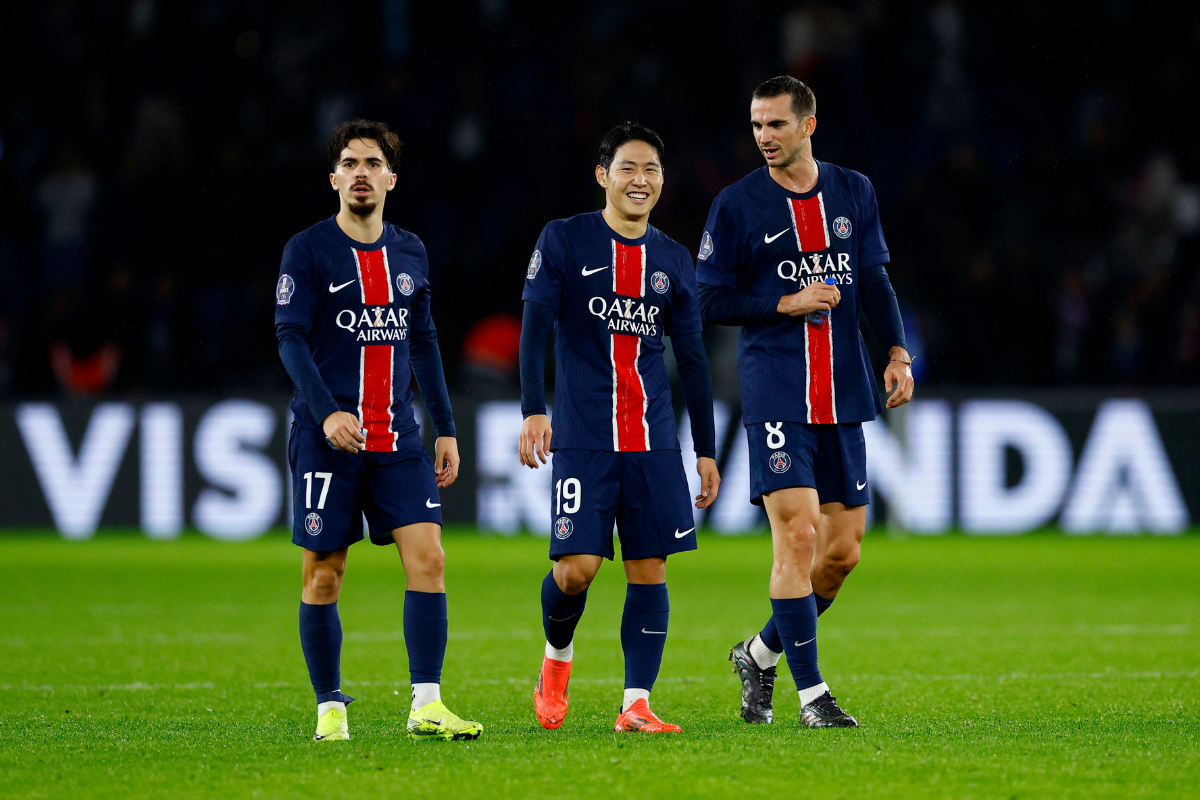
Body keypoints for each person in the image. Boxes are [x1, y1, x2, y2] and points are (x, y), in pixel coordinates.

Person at [696, 77, 915, 728]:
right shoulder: (736, 206)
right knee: (797, 535)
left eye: (776, 125)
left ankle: (759, 654)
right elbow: (708, 299)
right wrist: (782, 303)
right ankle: (811, 695)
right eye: (757, 125)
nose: (763, 137)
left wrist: (896, 353)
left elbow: (872, 279)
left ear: (808, 125)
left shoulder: (853, 191)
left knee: (842, 552)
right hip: (774, 391)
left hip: (842, 392)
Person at [274, 119, 481, 742]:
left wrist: (443, 427)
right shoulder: (306, 250)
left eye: (372, 163)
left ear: (391, 178)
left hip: (397, 440)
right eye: (349, 162)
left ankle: (426, 704)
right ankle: (329, 707)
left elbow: (422, 339)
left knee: (430, 559)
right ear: (334, 177)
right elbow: (289, 337)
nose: (361, 172)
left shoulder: (410, 251)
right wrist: (327, 411)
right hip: (326, 441)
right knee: (324, 572)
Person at [519, 122, 721, 734]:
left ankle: (636, 702)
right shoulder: (564, 239)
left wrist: (705, 450)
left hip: (653, 438)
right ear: (603, 175)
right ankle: (557, 659)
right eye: (629, 168)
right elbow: (533, 327)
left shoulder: (672, 259)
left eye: (652, 170)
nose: (641, 180)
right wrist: (533, 408)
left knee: (649, 567)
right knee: (575, 569)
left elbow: (692, 359)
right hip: (583, 434)